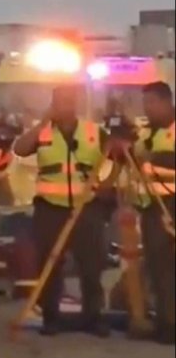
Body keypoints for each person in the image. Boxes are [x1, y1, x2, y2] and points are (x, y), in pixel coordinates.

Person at [13, 83, 109, 336]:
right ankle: (51, 318)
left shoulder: (92, 132)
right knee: (49, 264)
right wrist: (43, 122)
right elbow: (20, 149)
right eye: (60, 101)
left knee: (92, 263)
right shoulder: (43, 133)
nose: (65, 105)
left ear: (76, 102)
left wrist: (106, 186)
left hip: (86, 208)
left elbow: (120, 155)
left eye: (69, 100)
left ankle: (93, 317)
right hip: (50, 209)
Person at [135, 81, 175, 344]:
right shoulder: (146, 134)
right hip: (151, 208)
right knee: (158, 268)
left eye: (151, 103)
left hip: (171, 204)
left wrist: (154, 163)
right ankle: (166, 322)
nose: (146, 109)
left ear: (165, 101)